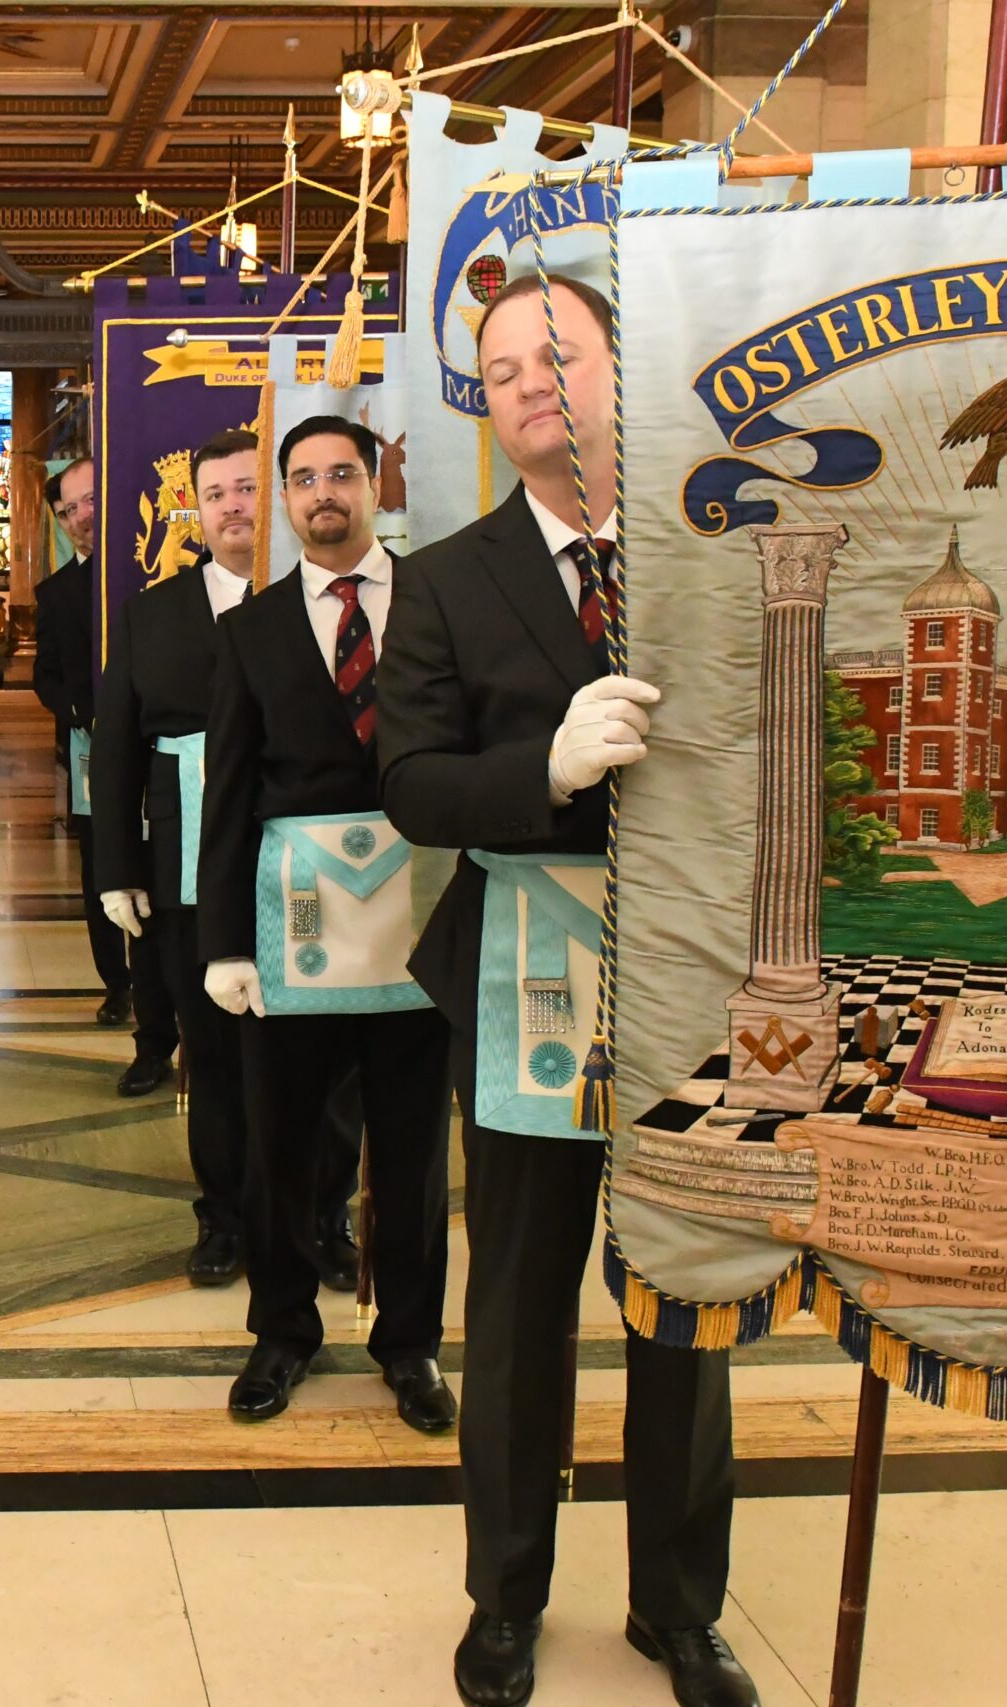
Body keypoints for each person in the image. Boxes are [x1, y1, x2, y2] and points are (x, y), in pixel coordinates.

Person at [379, 274, 754, 1707]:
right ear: (484, 400)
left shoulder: (708, 544)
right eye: (503, 364)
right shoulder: (451, 574)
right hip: (527, 976)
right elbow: (409, 781)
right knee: (523, 1307)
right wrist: (540, 767)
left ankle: (680, 1602)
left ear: (617, 365)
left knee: (682, 1295)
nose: (533, 377)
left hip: (699, 985)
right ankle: (506, 1600)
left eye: (561, 350)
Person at [197, 416, 455, 1440]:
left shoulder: (439, 603)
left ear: (375, 482)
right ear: (282, 498)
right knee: (282, 1146)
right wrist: (222, 941)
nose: (320, 495)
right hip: (290, 924)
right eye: (300, 479)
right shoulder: (251, 629)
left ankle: (411, 1344)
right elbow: (225, 791)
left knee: (411, 1153)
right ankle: (281, 1332)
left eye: (339, 473)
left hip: (420, 918)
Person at [93, 429, 361, 1283]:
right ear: (196, 512)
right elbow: (115, 754)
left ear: (276, 497)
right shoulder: (152, 615)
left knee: (328, 1058)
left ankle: (323, 1216)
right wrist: (116, 866)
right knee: (210, 1054)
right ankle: (224, 1219)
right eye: (216, 495)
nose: (233, 507)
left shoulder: (326, 601)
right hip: (184, 867)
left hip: (311, 865)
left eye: (249, 488)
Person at [34, 458, 176, 1061]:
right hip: (94, 751)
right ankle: (116, 985)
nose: (80, 518)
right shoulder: (58, 592)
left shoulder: (157, 576)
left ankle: (163, 996)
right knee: (104, 873)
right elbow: (46, 676)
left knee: (162, 873)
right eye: (67, 511)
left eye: (90, 501)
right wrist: (78, 712)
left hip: (165, 755)